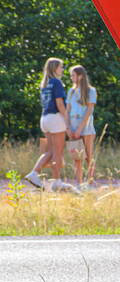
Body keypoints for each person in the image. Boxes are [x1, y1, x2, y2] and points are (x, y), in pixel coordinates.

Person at [24, 58, 74, 191]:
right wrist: (68, 123)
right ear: (54, 68)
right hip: (55, 119)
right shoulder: (56, 82)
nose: (62, 69)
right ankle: (53, 180)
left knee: (51, 151)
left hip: (45, 118)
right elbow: (59, 104)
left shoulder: (45, 83)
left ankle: (35, 174)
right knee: (57, 152)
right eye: (61, 67)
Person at [66, 64, 97, 188]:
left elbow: (89, 110)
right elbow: (67, 110)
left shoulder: (91, 91)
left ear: (80, 76)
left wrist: (80, 129)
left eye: (73, 75)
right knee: (77, 157)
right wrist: (68, 128)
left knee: (89, 155)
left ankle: (90, 182)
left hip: (86, 128)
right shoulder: (71, 91)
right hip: (72, 127)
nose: (71, 77)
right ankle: (78, 184)